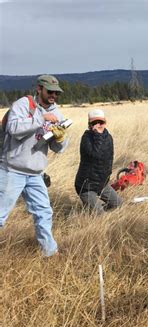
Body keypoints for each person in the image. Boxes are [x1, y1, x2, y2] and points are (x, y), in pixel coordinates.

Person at [0, 74, 69, 257]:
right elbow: (13, 129)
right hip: (11, 169)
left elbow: (58, 148)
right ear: (39, 89)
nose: (54, 95)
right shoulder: (23, 105)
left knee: (44, 212)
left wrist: (60, 138)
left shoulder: (56, 112)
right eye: (50, 91)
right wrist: (41, 118)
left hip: (36, 173)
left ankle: (50, 253)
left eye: (57, 92)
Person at [74, 109, 122, 214]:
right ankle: (91, 211)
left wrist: (107, 177)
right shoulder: (86, 138)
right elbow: (95, 155)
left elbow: (109, 159)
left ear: (105, 123)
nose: (98, 125)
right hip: (86, 186)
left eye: (101, 122)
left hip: (102, 184)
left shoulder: (108, 137)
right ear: (89, 125)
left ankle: (91, 209)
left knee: (118, 204)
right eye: (94, 123)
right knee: (100, 215)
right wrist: (97, 135)